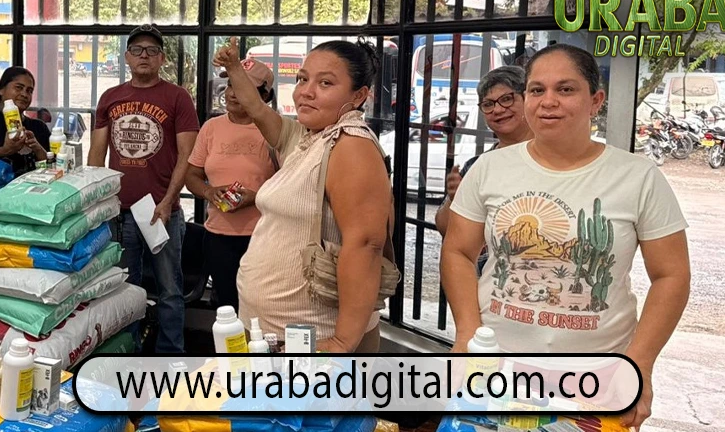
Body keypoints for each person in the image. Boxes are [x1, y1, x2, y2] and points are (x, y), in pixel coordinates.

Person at [441, 44, 690, 429]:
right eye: (537, 90)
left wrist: (640, 363)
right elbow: (457, 251)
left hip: (597, 377)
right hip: (495, 368)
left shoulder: (638, 177)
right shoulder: (490, 168)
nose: (548, 101)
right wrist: (467, 335)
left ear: (596, 100)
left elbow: (671, 275)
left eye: (566, 89)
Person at [213, 36, 392, 353]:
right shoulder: (310, 137)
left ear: (359, 95)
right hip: (276, 329)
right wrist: (234, 68)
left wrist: (342, 342)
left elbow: (366, 245)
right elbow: (256, 108)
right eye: (302, 79)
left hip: (313, 338)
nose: (306, 91)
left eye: (325, 83)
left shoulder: (350, 144)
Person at [87, 24, 199, 354]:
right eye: (137, 50)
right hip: (119, 213)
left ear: (162, 58)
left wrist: (168, 201)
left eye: (152, 50)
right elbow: (96, 155)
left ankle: (171, 355)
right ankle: (129, 352)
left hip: (161, 212)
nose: (144, 56)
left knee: (170, 290)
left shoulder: (177, 97)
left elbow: (187, 155)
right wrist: (96, 206)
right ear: (126, 57)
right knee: (124, 289)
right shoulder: (110, 98)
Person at [184, 58, 279, 310]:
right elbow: (191, 176)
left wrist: (255, 197)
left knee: (260, 309)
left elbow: (291, 186)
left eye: (243, 86)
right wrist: (209, 192)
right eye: (230, 85)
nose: (233, 93)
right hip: (218, 237)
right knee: (227, 308)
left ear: (264, 96)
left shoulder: (275, 131)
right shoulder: (211, 128)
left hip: (263, 236)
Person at [435, 66, 534, 239]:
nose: (498, 110)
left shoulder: (554, 157)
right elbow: (445, 228)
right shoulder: (476, 166)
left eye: (507, 99)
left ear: (528, 99)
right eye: (488, 104)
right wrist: (455, 198)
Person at [0, 66, 50, 176]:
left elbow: (55, 167)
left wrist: (37, 149)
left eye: (29, 91)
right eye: (18, 88)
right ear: (1, 90)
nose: (24, 94)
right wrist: (4, 150)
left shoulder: (38, 127)